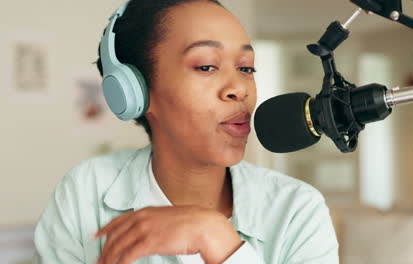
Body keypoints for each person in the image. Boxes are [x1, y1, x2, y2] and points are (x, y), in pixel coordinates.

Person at [33, 0, 339, 263]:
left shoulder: (297, 209)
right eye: (206, 66)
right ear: (136, 92)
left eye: (246, 68)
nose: (238, 89)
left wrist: (221, 243)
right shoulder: (85, 190)